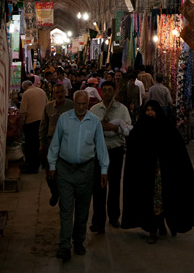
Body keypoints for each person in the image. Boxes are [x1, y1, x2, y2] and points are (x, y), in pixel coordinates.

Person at [121, 100, 194, 244]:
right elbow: (134, 146)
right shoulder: (141, 128)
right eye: (147, 110)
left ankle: (161, 224)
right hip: (146, 175)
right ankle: (153, 229)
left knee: (162, 199)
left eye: (152, 110)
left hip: (163, 173)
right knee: (150, 200)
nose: (150, 113)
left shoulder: (166, 127)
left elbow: (176, 149)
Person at [48, 91, 109, 262]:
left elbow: (101, 147)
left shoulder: (94, 121)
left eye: (84, 104)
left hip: (86, 171)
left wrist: (104, 170)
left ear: (88, 104)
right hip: (65, 170)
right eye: (78, 104)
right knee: (66, 209)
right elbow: (55, 143)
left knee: (82, 209)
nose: (81, 108)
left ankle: (79, 241)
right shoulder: (64, 119)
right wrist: (52, 165)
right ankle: (64, 245)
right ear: (73, 103)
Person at [90, 81, 132, 233]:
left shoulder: (122, 109)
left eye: (110, 90)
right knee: (99, 186)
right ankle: (98, 221)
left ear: (114, 91)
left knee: (114, 185)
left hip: (116, 150)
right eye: (104, 90)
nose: (107, 93)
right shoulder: (95, 109)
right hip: (99, 152)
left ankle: (114, 217)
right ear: (101, 92)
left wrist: (116, 128)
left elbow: (128, 126)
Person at [39, 84, 73, 206]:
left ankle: (65, 195)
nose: (60, 94)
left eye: (61, 92)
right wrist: (42, 144)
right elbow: (43, 126)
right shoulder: (48, 107)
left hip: (68, 144)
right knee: (50, 173)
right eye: (57, 92)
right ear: (53, 94)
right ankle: (55, 192)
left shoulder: (71, 106)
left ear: (65, 92)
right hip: (52, 143)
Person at [19, 80, 47, 173]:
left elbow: (23, 111)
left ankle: (32, 167)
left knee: (31, 145)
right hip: (42, 121)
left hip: (31, 122)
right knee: (41, 143)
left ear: (24, 87)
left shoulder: (26, 94)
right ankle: (43, 164)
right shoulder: (42, 91)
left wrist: (20, 126)